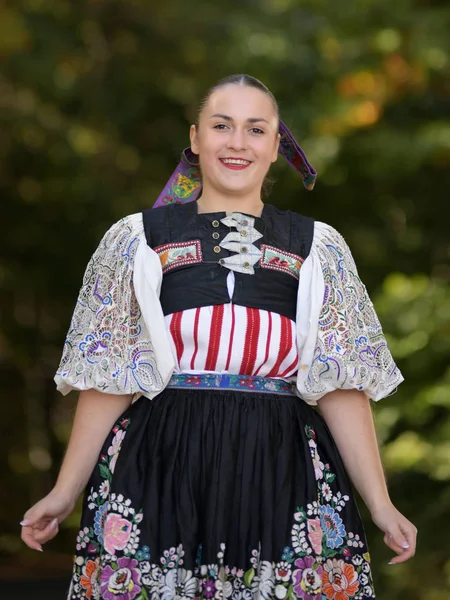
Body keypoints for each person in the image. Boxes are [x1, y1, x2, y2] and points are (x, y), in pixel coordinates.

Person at [21, 74, 417, 600]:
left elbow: (342, 388)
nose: (237, 142)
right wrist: (63, 491)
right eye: (221, 126)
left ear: (277, 146)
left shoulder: (317, 248)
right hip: (161, 462)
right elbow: (110, 376)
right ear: (195, 138)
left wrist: (381, 504)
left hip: (282, 466)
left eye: (256, 129)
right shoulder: (138, 240)